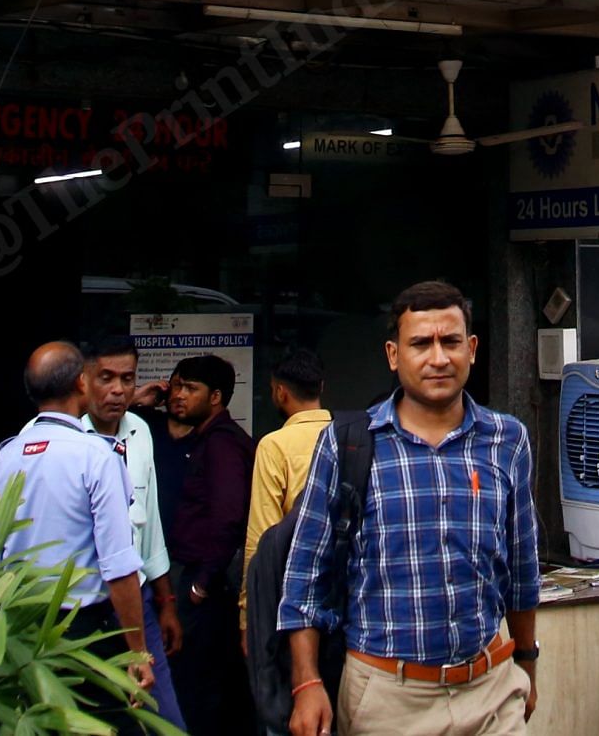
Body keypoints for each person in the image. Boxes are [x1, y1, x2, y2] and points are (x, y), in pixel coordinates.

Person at [277, 281, 540, 736]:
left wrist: (527, 664)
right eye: (420, 343)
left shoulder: (507, 440)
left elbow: (521, 568)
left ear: (472, 349)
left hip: (491, 689)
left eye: (450, 341)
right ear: (394, 355)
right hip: (387, 698)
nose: (438, 358)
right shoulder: (348, 445)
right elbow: (305, 576)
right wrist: (308, 682)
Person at [0, 341, 156, 733]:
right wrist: (138, 651)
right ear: (82, 382)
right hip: (84, 637)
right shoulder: (96, 457)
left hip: (15, 632)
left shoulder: (5, 458)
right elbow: (118, 564)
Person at [84, 334, 189, 730]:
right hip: (79, 607)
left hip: (138, 604)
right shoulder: (65, 439)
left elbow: (151, 526)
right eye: (106, 378)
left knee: (165, 720)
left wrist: (166, 601)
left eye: (127, 379)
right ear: (83, 379)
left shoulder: (140, 432)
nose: (117, 390)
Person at [166, 354, 255, 732]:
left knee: (202, 689)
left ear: (216, 397)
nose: (178, 395)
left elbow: (228, 517)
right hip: (203, 582)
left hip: (208, 588)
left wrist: (200, 584)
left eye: (190, 388)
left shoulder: (222, 444)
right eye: (176, 386)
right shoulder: (209, 438)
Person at [244, 348, 333, 629]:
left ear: (280, 392)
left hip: (289, 593)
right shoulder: (350, 437)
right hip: (342, 588)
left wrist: (248, 613)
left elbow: (261, 537)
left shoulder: (275, 445)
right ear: (321, 386)